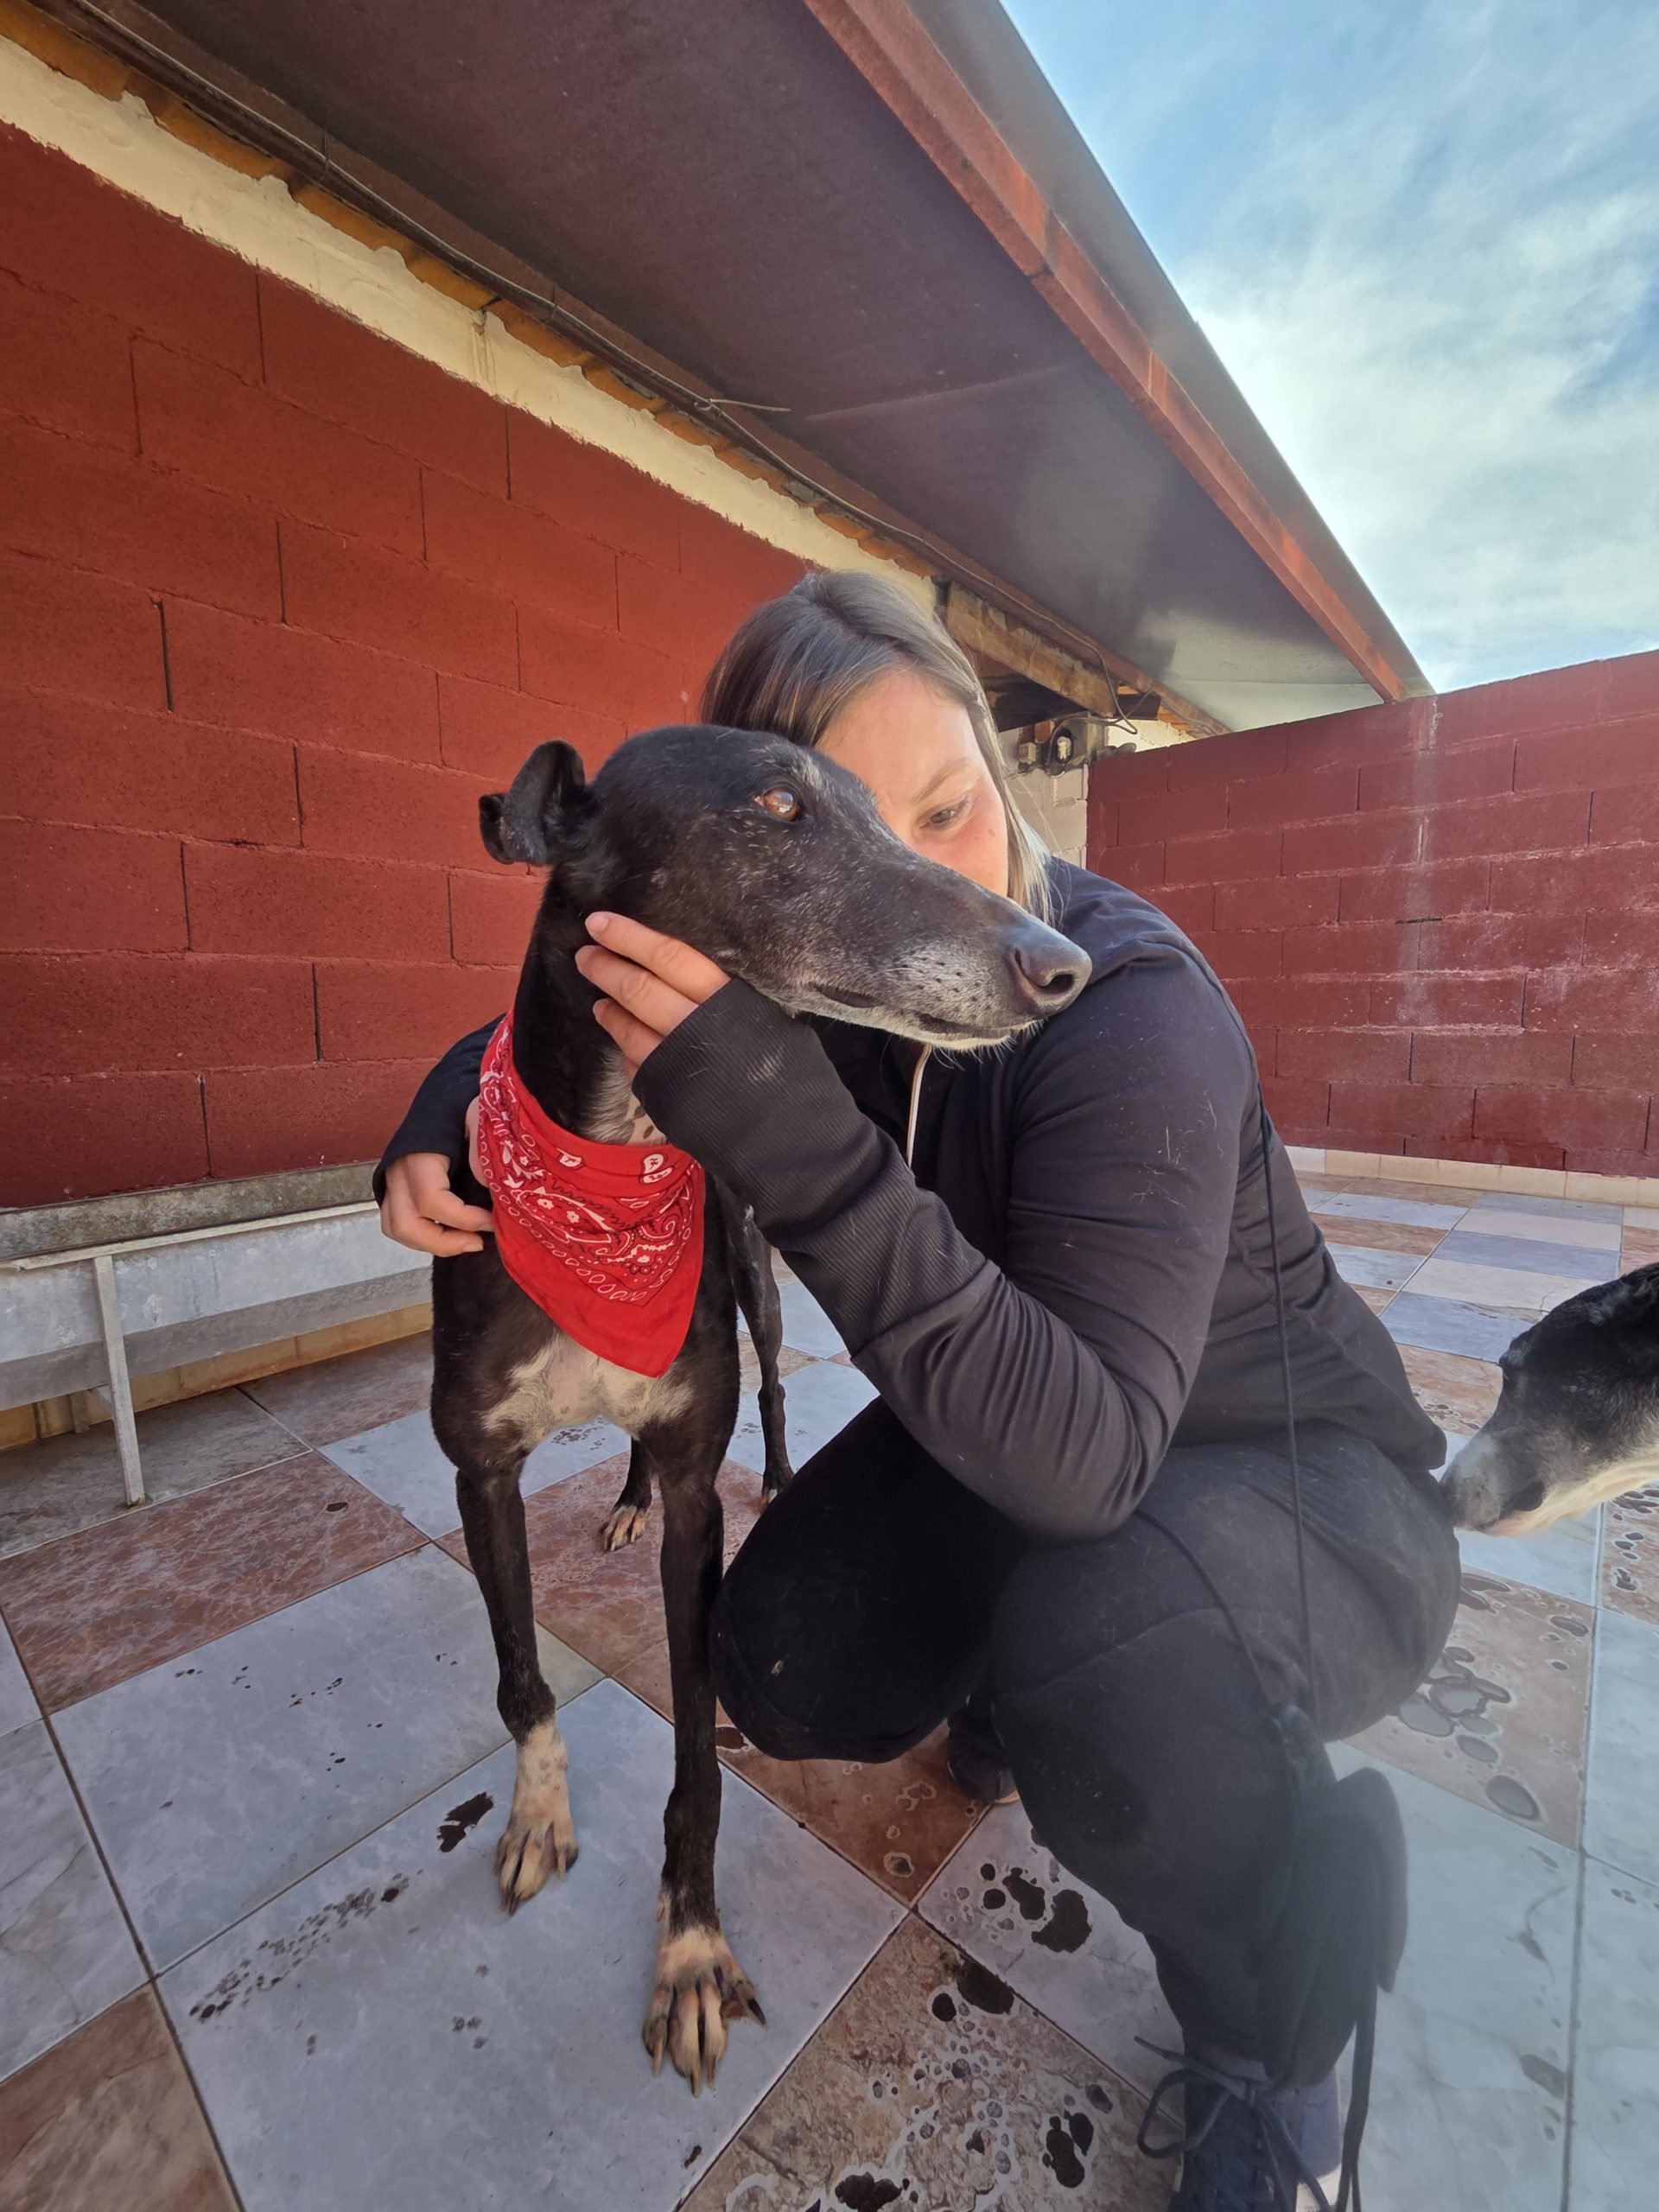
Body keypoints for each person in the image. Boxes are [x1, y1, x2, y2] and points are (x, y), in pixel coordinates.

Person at [378, 570, 1458, 2211]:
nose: (936, 884)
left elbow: (1094, 1458)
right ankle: (1035, 1678)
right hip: (1032, 1416)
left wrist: (795, 1143)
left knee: (1110, 1645)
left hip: (1307, 1491)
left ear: (997, 766)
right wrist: (432, 1111)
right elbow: (566, 992)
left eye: (949, 809)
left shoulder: (1131, 1008)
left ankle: (1271, 2020)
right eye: (839, 834)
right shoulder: (822, 988)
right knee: (782, 1659)